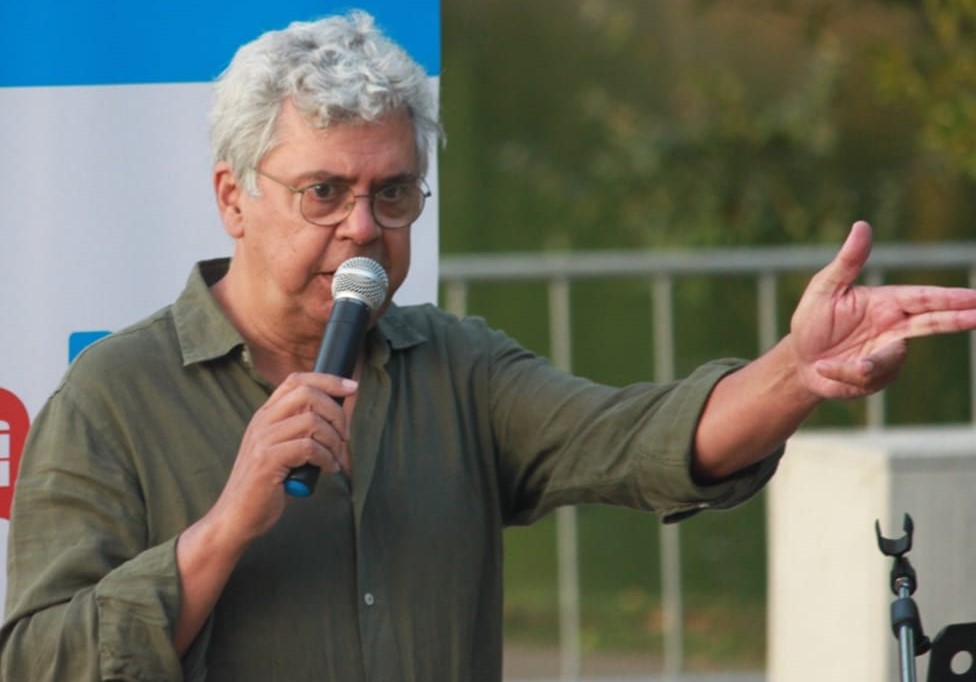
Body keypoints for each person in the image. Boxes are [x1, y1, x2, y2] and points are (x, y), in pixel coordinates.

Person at [4, 9, 976, 682]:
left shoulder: (454, 368)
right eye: (323, 193)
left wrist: (797, 372)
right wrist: (224, 528)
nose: (361, 228)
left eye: (393, 193)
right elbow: (37, 661)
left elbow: (635, 438)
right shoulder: (112, 395)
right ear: (234, 198)